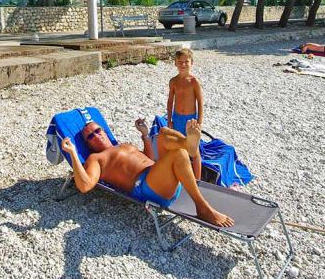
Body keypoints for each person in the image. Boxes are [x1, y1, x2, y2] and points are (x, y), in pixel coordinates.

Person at [61, 118, 234, 227]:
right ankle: (202, 207)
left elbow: (149, 158)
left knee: (163, 133)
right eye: (90, 136)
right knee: (178, 154)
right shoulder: (96, 158)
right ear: (88, 144)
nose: (96, 135)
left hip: (157, 173)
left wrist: (144, 135)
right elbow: (84, 186)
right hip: (146, 187)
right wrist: (74, 153)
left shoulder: (124, 145)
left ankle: (189, 145)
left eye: (98, 130)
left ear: (104, 131)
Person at [165, 48, 204, 178]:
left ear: (191, 62)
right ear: (175, 63)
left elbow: (200, 102)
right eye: (179, 62)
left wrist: (199, 122)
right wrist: (169, 120)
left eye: (186, 61)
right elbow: (170, 101)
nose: (183, 64)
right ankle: (179, 174)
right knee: (178, 146)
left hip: (190, 119)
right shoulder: (173, 81)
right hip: (177, 118)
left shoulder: (194, 81)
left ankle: (197, 179)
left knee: (194, 150)